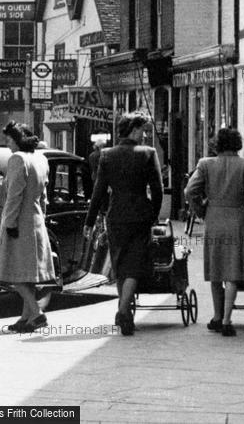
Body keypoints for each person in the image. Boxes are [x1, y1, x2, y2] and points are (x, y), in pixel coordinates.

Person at [185, 127, 244, 337]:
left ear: (218, 145)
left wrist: (201, 210)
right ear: (238, 144)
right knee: (233, 270)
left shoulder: (205, 164)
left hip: (214, 219)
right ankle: (226, 320)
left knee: (216, 271)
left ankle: (216, 316)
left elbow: (190, 191)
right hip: (237, 220)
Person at [83, 112, 163, 336]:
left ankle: (125, 315)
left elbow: (98, 192)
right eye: (142, 130)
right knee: (135, 265)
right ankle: (122, 312)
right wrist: (153, 213)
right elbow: (157, 190)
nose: (144, 134)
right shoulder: (148, 153)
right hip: (140, 215)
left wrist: (89, 222)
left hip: (116, 215)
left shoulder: (107, 155)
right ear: (134, 130)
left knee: (120, 263)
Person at [0, 120, 56, 333]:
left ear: (17, 140)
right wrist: (42, 219)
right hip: (36, 220)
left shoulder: (17, 159)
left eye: (9, 140)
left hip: (20, 221)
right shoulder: (41, 159)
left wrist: (9, 223)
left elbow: (14, 196)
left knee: (13, 272)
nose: (7, 144)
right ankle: (26, 317)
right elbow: (44, 197)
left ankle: (37, 313)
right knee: (27, 273)